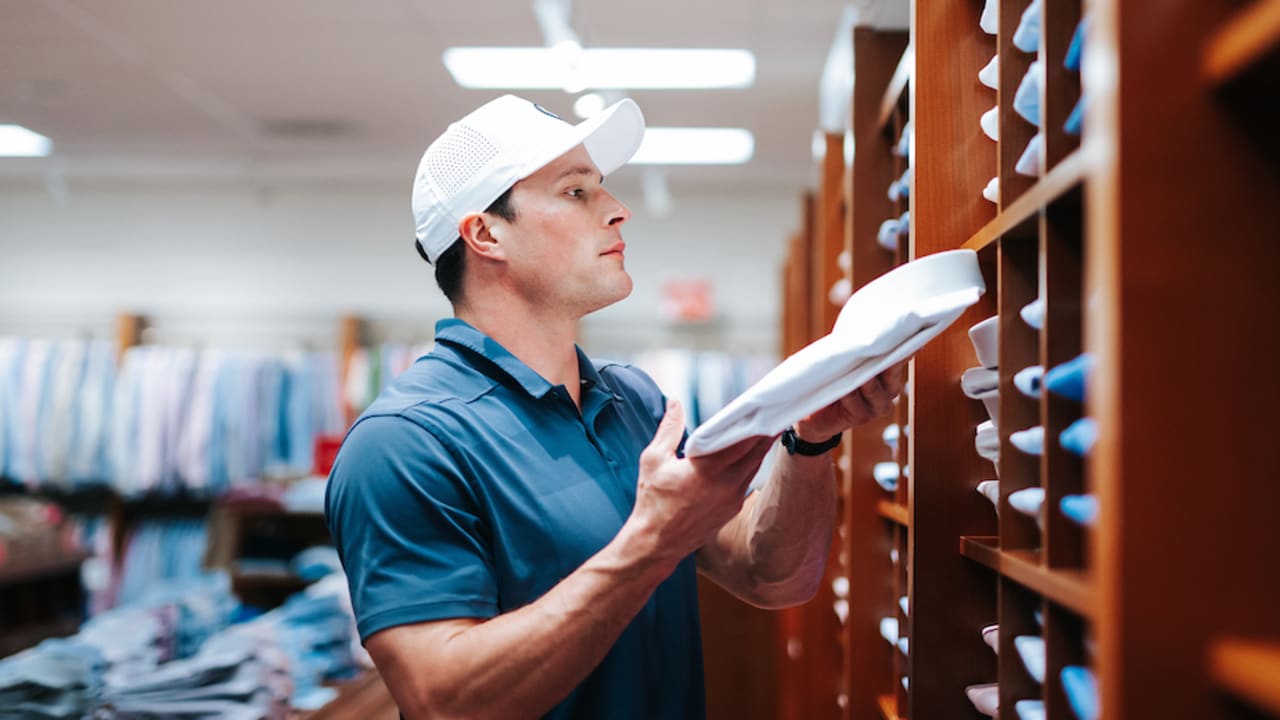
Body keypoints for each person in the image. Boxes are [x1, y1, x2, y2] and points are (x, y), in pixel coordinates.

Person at [324, 94, 903, 720]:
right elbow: (443, 701)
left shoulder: (635, 403)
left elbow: (772, 576)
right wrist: (652, 542)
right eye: (576, 193)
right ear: (486, 234)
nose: (618, 211)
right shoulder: (405, 442)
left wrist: (809, 440)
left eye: (602, 189)